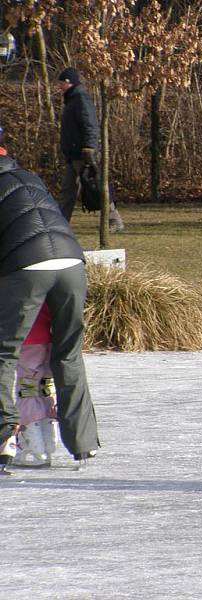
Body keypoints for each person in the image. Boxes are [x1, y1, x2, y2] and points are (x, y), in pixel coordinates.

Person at [0, 147, 100, 474]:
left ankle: (4, 439)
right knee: (68, 352)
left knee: (5, 352)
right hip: (72, 261)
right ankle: (83, 442)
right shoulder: (30, 178)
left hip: (29, 265)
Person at [57, 67, 124, 230]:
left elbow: (90, 125)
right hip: (74, 154)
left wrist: (90, 148)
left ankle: (114, 219)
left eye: (61, 83)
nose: (59, 87)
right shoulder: (73, 99)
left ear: (68, 82)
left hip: (82, 153)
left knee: (94, 187)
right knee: (68, 191)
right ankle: (59, 224)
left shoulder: (80, 99)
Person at [13, 304, 59, 468]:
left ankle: (33, 446)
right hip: (47, 337)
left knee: (28, 388)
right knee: (44, 386)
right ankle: (48, 440)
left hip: (27, 338)